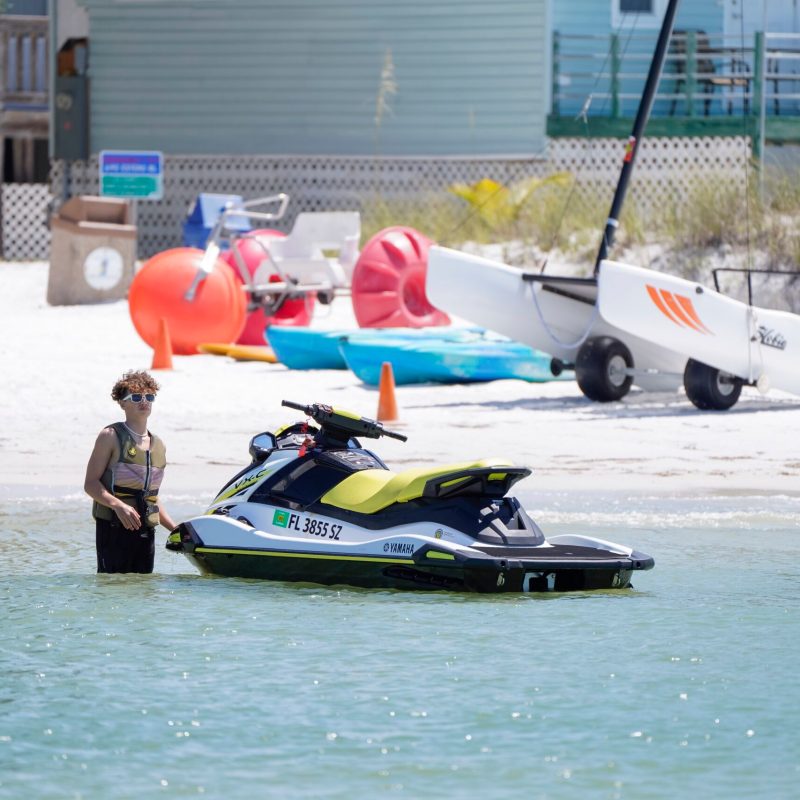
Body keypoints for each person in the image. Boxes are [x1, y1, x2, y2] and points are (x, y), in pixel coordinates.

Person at [84, 370, 176, 573]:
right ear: (122, 403)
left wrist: (176, 530)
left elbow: (151, 497)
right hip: (114, 527)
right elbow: (90, 483)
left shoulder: (158, 444)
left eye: (149, 397)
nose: (144, 402)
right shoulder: (110, 436)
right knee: (113, 588)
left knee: (142, 591)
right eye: (136, 397)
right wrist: (118, 506)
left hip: (145, 531)